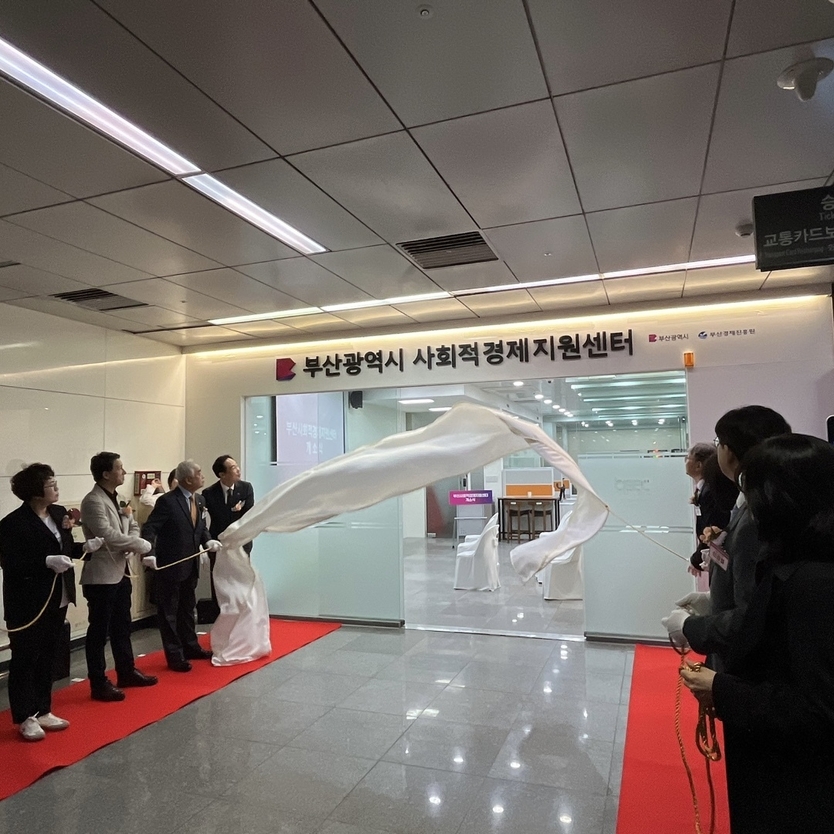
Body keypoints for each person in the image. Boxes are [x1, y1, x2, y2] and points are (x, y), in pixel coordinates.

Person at [680, 434, 834, 833]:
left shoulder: (813, 584)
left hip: (797, 783)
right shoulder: (796, 564)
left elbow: (816, 710)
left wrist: (720, 688)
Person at [663, 406, 790, 669]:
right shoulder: (757, 503)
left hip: (743, 665)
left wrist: (690, 626)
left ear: (730, 452)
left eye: (718, 443)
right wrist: (714, 600)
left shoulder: (754, 519)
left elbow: (752, 615)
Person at [0, 465, 103, 740]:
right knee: (25, 658)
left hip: (59, 596)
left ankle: (43, 708)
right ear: (35, 491)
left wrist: (84, 548)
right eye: (51, 484)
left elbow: (64, 548)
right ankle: (25, 716)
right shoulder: (13, 523)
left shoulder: (58, 514)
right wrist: (44, 562)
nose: (57, 488)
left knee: (49, 654)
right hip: (27, 602)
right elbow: (10, 563)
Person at [80, 452, 158, 701]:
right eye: (119, 468)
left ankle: (126, 670)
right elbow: (106, 534)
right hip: (101, 575)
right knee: (99, 631)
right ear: (106, 473)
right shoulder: (93, 501)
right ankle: (98, 681)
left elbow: (132, 525)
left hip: (121, 570)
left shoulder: (119, 497)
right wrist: (137, 544)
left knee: (123, 626)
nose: (124, 472)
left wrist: (134, 542)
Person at [140, 460, 221, 672]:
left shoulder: (199, 500)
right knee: (169, 612)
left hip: (191, 564)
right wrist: (149, 553)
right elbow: (150, 528)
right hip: (171, 565)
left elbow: (200, 527)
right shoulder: (167, 501)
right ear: (188, 479)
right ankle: (174, 655)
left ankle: (191, 646)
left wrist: (208, 541)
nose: (203, 476)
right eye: (199, 473)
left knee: (187, 608)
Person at [686, 447, 739, 576]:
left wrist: (697, 558)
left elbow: (715, 527)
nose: (685, 461)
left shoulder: (710, 492)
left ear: (699, 465)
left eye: (687, 458)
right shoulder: (703, 490)